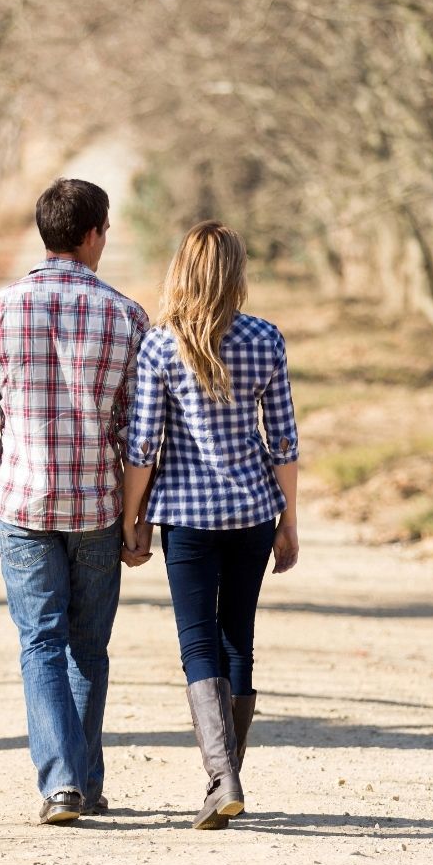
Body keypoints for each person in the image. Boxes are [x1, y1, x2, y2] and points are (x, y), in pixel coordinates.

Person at [0, 178, 150, 825]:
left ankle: (64, 785)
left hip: (24, 506)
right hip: (97, 507)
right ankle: (85, 783)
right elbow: (137, 433)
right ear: (94, 234)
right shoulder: (127, 316)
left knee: (40, 642)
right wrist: (135, 521)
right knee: (87, 648)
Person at [121, 220, 300, 830]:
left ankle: (224, 779)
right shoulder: (265, 338)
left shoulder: (160, 344)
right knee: (238, 639)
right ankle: (226, 778)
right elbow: (283, 441)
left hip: (188, 520)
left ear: (183, 272)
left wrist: (132, 517)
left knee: (198, 641)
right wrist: (289, 520)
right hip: (252, 511)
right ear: (236, 273)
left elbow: (142, 444)